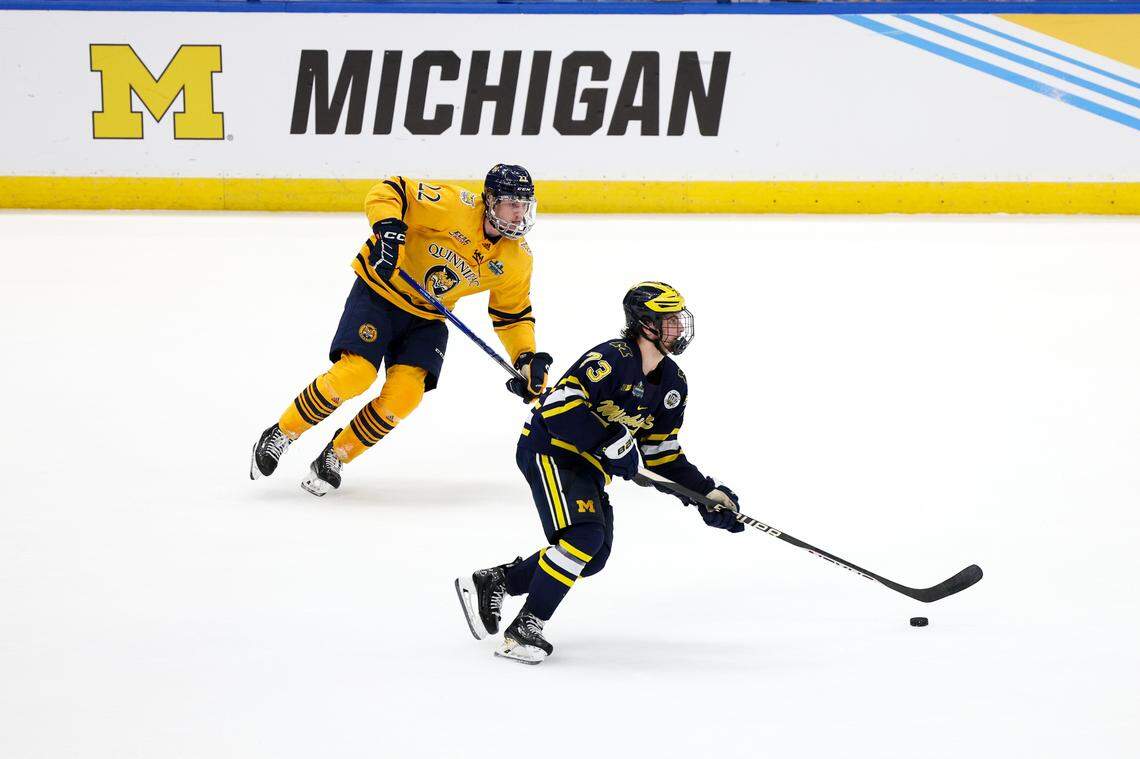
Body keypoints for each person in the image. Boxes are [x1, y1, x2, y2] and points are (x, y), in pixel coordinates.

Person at [455, 282, 743, 664]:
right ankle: (525, 628)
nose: (677, 328)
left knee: (592, 556)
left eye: (678, 319)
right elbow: (557, 407)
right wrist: (607, 438)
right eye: (668, 320)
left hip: (588, 466)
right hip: (549, 449)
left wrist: (706, 495)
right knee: (583, 535)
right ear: (645, 325)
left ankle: (498, 581)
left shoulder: (673, 384)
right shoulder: (612, 357)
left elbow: (662, 454)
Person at [250, 164, 552, 496]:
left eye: (524, 204)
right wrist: (388, 229)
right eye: (511, 203)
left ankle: (336, 455)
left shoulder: (517, 258)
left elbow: (512, 314)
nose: (519, 213)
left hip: (428, 316)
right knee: (356, 374)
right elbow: (389, 190)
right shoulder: (454, 205)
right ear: (490, 200)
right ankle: (283, 432)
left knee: (406, 395)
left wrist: (525, 356)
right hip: (380, 291)